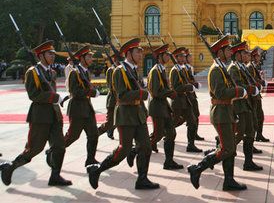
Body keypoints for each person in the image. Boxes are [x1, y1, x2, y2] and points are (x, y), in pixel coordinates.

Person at [87, 38, 159, 190]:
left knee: (146, 147)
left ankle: (142, 179)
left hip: (138, 114)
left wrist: (143, 108)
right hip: (125, 115)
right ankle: (97, 169)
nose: (140, 55)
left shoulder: (134, 70)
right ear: (128, 54)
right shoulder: (120, 71)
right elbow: (121, 96)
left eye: (140, 52)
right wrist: (140, 93)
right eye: (137, 52)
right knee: (123, 149)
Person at [1, 40, 71, 187]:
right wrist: (55, 97)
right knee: (34, 148)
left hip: (54, 114)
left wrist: (56, 99)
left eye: (53, 53)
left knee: (59, 147)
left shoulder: (50, 72)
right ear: (40, 56)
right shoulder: (32, 72)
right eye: (49, 54)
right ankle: (9, 167)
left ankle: (55, 176)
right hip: (40, 115)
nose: (52, 56)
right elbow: (33, 95)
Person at [187, 35, 247, 191]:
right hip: (220, 112)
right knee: (227, 148)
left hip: (227, 111)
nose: (230, 51)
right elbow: (220, 93)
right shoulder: (215, 70)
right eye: (227, 49)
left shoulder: (222, 68)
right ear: (219, 52)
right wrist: (238, 91)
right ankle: (197, 168)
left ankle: (229, 180)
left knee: (230, 148)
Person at [148, 43, 188, 170]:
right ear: (160, 56)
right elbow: (155, 91)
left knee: (171, 133)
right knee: (158, 134)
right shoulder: (155, 71)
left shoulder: (162, 69)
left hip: (163, 106)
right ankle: (135, 150)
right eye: (166, 54)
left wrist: (169, 93)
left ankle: (169, 161)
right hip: (157, 107)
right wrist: (170, 93)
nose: (168, 56)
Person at [59, 45, 100, 167]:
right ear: (82, 58)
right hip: (77, 109)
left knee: (93, 134)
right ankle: (55, 150)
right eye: (89, 56)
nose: (91, 59)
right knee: (73, 136)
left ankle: (90, 159)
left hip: (87, 108)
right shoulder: (74, 73)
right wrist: (91, 92)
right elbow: (74, 92)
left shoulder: (85, 72)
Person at [228, 42, 262, 171]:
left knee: (249, 131)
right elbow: (236, 85)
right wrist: (251, 88)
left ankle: (248, 162)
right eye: (244, 53)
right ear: (237, 55)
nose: (247, 55)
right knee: (239, 133)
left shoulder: (240, 67)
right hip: (238, 104)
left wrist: (254, 86)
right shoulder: (233, 68)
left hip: (246, 104)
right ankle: (219, 149)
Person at [169, 47, 202, 153]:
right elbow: (176, 88)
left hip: (185, 100)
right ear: (176, 58)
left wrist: (194, 84)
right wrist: (189, 87)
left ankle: (190, 145)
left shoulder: (182, 69)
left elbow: (187, 81)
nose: (183, 58)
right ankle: (162, 135)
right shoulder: (174, 71)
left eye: (184, 56)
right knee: (173, 122)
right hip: (178, 101)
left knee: (192, 122)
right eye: (181, 56)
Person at [248, 47, 269, 142]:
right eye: (258, 56)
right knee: (254, 119)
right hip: (253, 96)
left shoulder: (253, 66)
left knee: (260, 116)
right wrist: (261, 82)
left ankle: (259, 135)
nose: (259, 57)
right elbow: (251, 80)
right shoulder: (250, 67)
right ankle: (254, 137)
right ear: (254, 57)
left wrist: (261, 81)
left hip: (257, 96)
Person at [98, 54, 121, 139]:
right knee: (109, 122)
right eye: (118, 58)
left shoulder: (122, 69)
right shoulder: (111, 70)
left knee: (121, 120)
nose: (120, 60)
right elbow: (112, 87)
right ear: (114, 59)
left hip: (120, 100)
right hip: (113, 100)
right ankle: (95, 134)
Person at [184, 48, 204, 141]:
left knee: (196, 114)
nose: (191, 58)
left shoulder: (190, 68)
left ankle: (195, 134)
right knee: (183, 119)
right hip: (186, 96)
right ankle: (166, 132)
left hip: (192, 95)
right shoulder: (183, 68)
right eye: (189, 56)